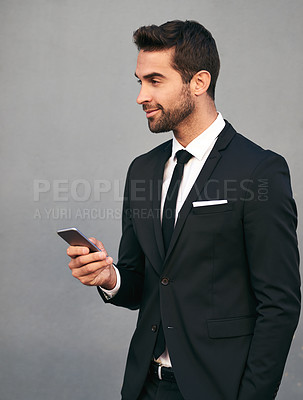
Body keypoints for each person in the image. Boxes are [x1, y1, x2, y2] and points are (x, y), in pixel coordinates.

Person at [66, 20, 301, 400]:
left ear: (199, 82)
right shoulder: (141, 170)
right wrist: (108, 277)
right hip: (144, 386)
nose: (141, 95)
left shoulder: (260, 170)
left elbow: (280, 304)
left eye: (155, 81)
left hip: (218, 389)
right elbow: (142, 282)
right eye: (139, 81)